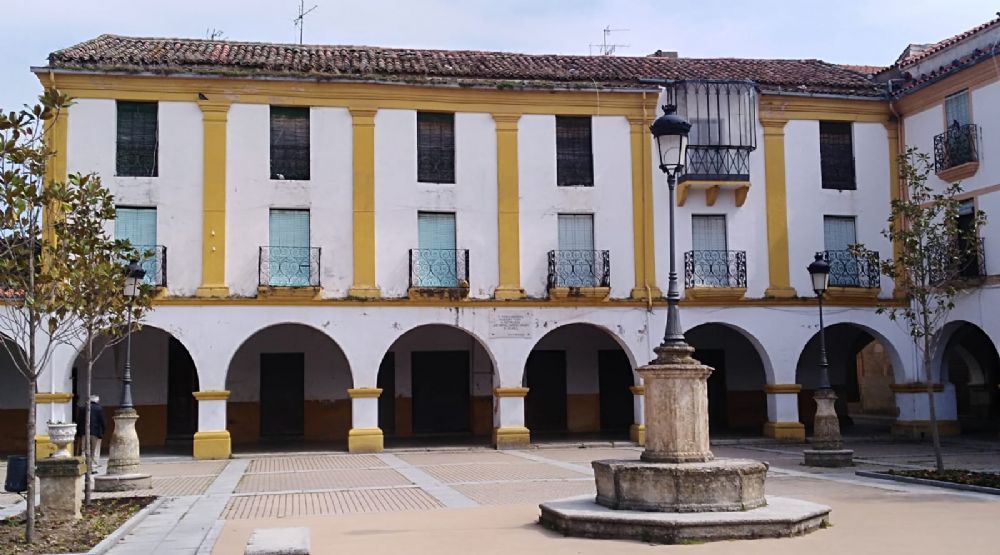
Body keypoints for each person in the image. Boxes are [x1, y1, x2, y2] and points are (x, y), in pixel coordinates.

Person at [76, 395, 106, 473]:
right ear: (97, 401)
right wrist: (103, 431)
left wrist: (78, 433)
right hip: (96, 433)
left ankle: (84, 467)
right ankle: (93, 468)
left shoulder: (82, 409)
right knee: (95, 450)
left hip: (84, 433)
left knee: (84, 450)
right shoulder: (99, 409)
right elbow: (102, 421)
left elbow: (78, 421)